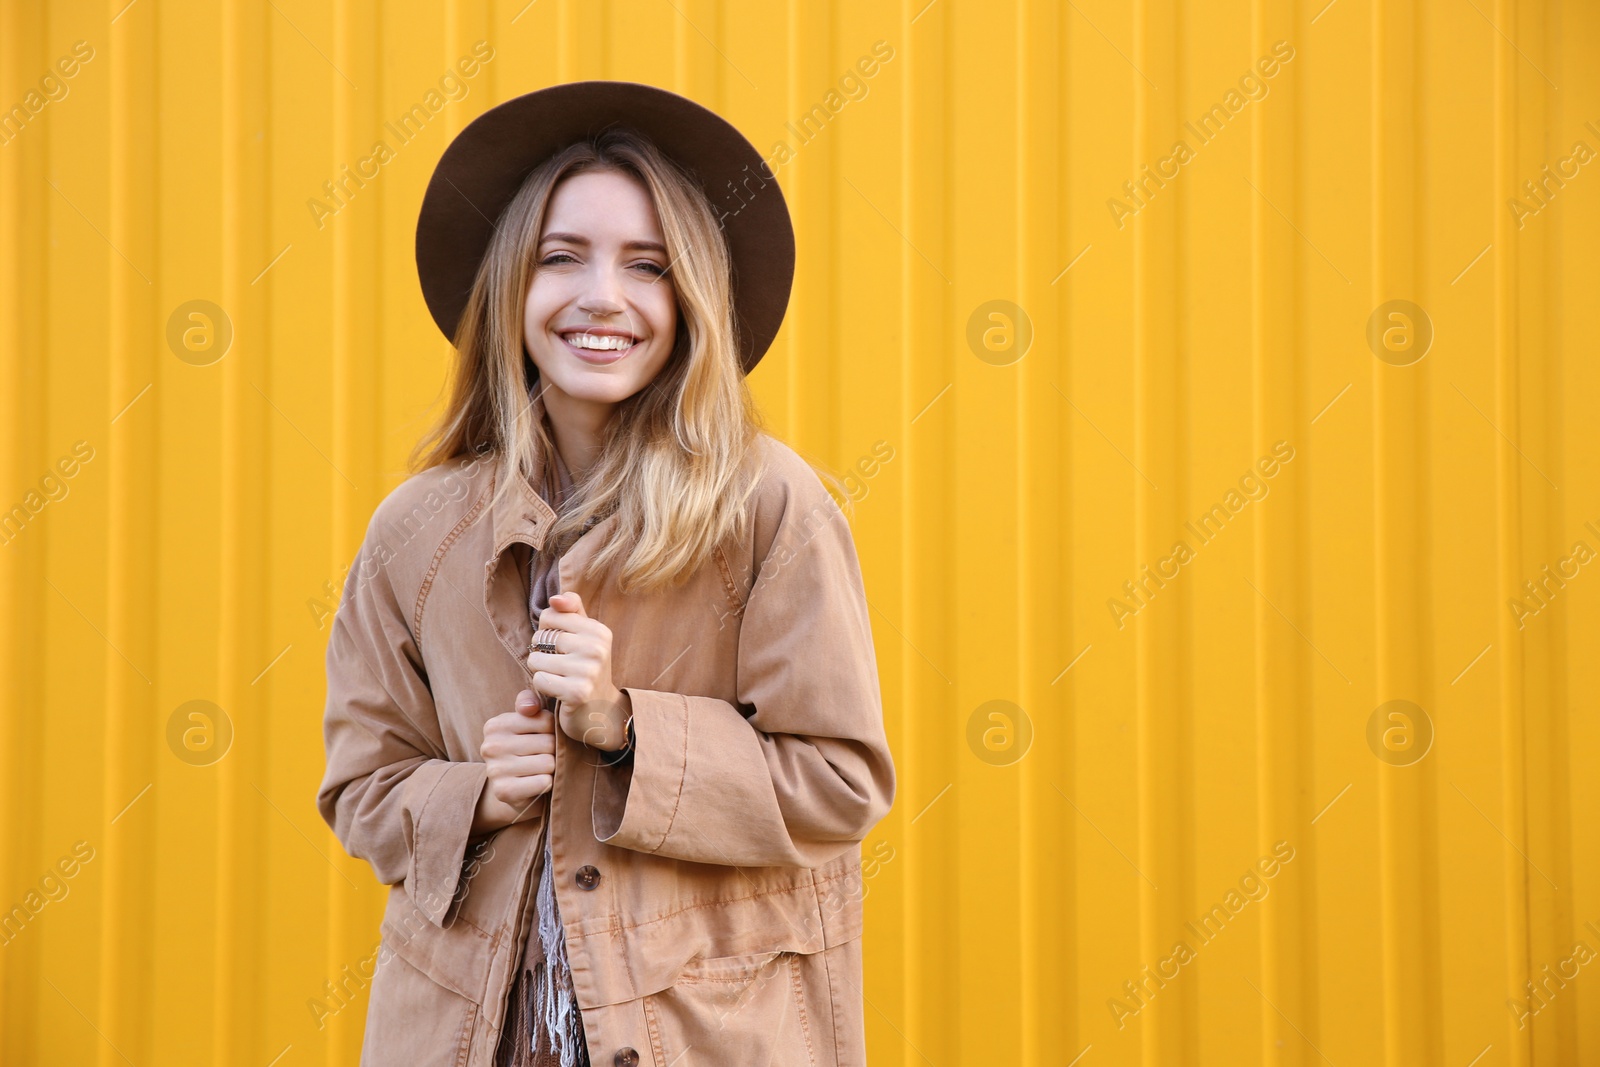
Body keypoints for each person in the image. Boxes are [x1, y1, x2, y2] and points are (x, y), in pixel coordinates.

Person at [317, 81, 896, 1067]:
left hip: (709, 1033)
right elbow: (361, 788)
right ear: (510, 288)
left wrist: (627, 722)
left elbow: (842, 783)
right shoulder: (412, 534)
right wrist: (475, 794)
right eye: (560, 258)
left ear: (691, 298)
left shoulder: (769, 508)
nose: (602, 297)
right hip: (469, 1032)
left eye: (648, 265)